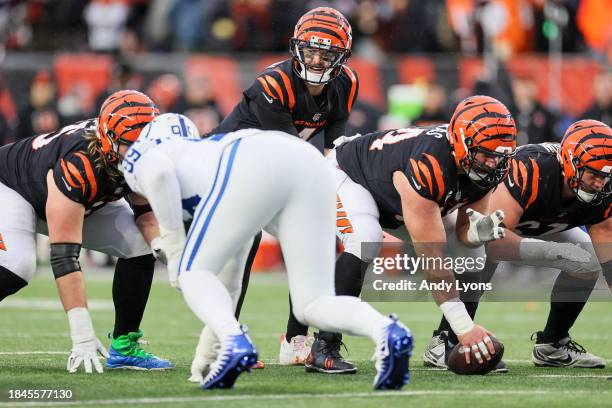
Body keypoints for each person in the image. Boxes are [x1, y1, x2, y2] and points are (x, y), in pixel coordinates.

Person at [120, 113, 413, 390]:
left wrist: (173, 249)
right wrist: (209, 352)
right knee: (311, 304)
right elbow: (232, 280)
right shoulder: (202, 158)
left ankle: (234, 341)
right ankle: (386, 331)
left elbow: (157, 173)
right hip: (308, 162)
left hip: (252, 160)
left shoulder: (147, 155)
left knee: (191, 270)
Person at [203, 6, 359, 373]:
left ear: (342, 57)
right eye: (311, 50)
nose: (317, 59)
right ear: (296, 47)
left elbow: (333, 151)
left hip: (273, 171)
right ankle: (224, 344)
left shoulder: (346, 84)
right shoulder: (274, 84)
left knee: (316, 240)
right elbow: (293, 157)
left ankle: (295, 342)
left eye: (327, 52)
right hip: (226, 167)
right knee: (245, 247)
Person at [327, 95, 517, 372]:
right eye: (485, 154)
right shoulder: (430, 164)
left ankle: (446, 345)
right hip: (350, 175)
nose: (491, 163)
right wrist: (466, 327)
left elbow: (464, 233)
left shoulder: (487, 168)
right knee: (364, 239)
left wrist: (476, 234)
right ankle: (324, 344)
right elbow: (433, 263)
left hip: (397, 199)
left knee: (476, 253)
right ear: (461, 143)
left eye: (498, 156)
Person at [0, 90, 171, 373]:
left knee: (140, 247)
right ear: (109, 140)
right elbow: (64, 257)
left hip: (70, 197)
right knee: (18, 264)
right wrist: (81, 336)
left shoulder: (138, 151)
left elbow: (144, 212)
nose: (143, 152)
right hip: (14, 188)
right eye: (133, 144)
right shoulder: (79, 165)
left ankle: (125, 346)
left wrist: (162, 246)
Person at [425, 119, 611, 369]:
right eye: (593, 174)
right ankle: (445, 341)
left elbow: (607, 256)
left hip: (544, 223)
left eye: (605, 176)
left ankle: (552, 346)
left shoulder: (604, 190)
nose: (600, 184)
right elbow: (495, 241)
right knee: (481, 251)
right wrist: (554, 252)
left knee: (586, 260)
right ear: (570, 164)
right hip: (492, 224)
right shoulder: (532, 169)